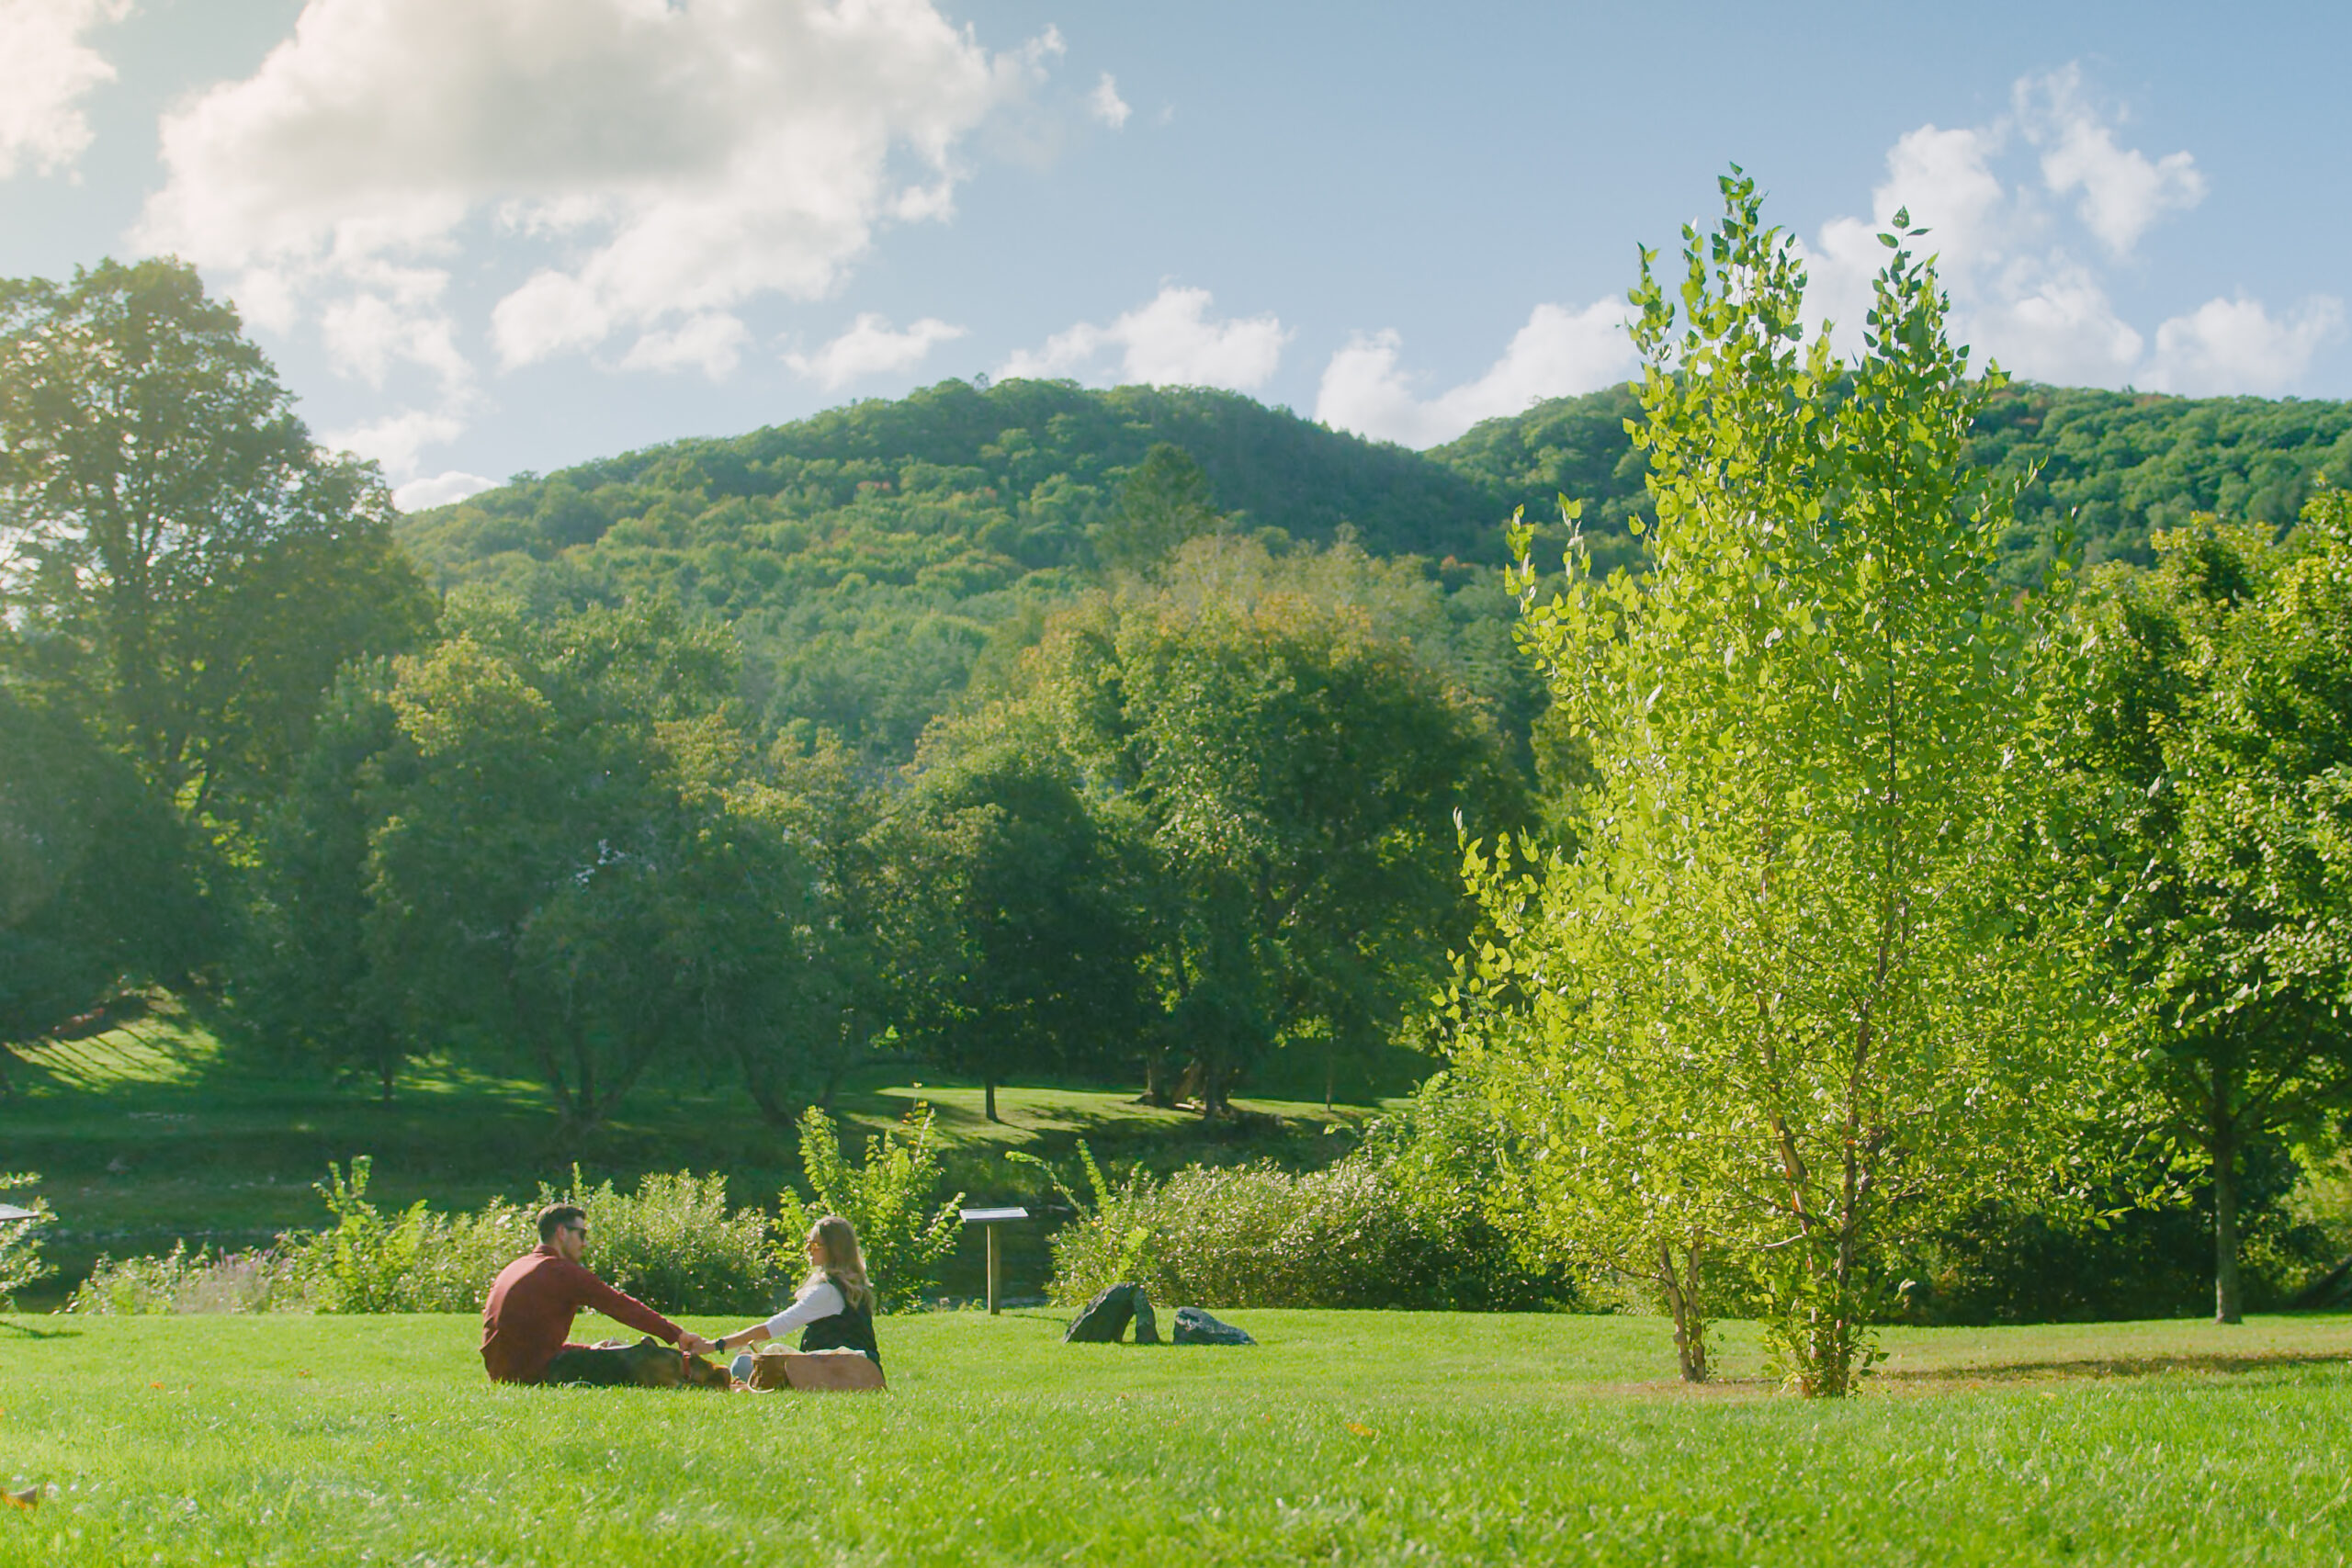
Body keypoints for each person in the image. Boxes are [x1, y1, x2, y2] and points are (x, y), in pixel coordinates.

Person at [480, 1202, 718, 1383]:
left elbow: (531, 1343)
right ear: (562, 1232)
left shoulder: (515, 1267)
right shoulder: (561, 1271)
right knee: (649, 1356)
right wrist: (676, 1334)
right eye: (581, 1235)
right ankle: (716, 1380)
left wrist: (590, 1350)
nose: (584, 1243)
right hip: (537, 1373)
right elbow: (620, 1306)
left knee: (608, 1351)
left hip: (504, 1372)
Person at [707, 1213, 880, 1376]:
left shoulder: (827, 1292)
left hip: (833, 1375)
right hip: (862, 1372)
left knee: (742, 1364)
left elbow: (772, 1328)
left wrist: (716, 1345)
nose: (807, 1249)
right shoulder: (853, 1288)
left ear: (833, 1250)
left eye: (814, 1244)